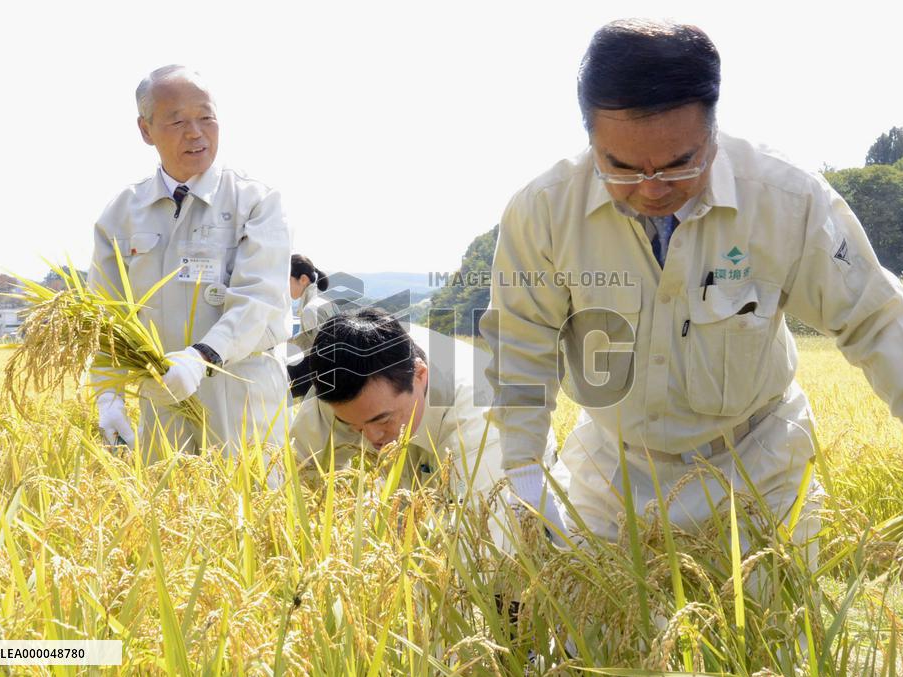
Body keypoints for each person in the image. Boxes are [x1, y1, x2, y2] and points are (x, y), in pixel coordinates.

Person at [481, 19, 903, 547]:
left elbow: (872, 316)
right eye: (622, 167)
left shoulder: (785, 199)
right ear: (591, 139)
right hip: (612, 476)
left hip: (759, 470)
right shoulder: (544, 212)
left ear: (712, 132)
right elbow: (521, 345)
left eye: (678, 165)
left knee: (777, 604)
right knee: (592, 603)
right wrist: (524, 473)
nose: (651, 189)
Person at [88, 65, 292, 460]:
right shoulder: (121, 214)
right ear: (146, 130)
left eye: (206, 117)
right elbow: (107, 318)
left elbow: (259, 298)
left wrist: (203, 357)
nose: (195, 132)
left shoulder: (256, 201)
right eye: (177, 121)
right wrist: (108, 394)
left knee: (250, 495)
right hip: (163, 400)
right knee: (167, 496)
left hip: (243, 395)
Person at [291, 309, 564, 543]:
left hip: (509, 486)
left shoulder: (482, 419)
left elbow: (482, 546)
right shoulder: (342, 383)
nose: (372, 438)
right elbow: (299, 472)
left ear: (420, 375)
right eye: (354, 427)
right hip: (414, 473)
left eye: (382, 420)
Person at [287, 254, 339, 399]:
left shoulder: (310, 310)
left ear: (303, 279)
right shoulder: (326, 301)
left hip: (322, 387)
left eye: (287, 280)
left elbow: (324, 357)